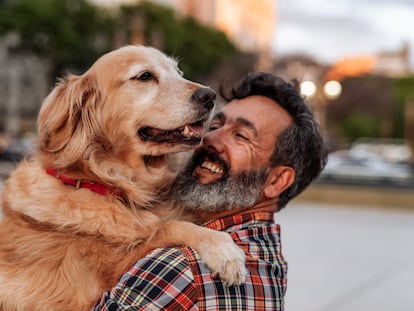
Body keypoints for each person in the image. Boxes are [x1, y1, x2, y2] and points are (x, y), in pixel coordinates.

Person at [92, 72, 327, 310]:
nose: (210, 138)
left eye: (241, 136)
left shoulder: (182, 269)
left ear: (277, 180)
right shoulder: (267, 263)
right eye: (215, 125)